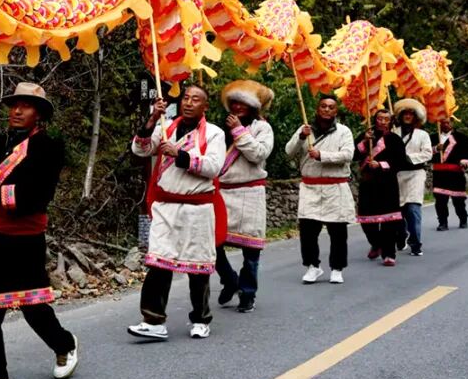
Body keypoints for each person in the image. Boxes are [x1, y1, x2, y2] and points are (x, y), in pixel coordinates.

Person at [0, 82, 78, 379]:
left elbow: (41, 195)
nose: (17, 110)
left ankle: (65, 344)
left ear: (38, 114)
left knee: (32, 306)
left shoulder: (49, 148)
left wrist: (1, 193)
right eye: (14, 105)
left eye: (25, 106)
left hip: (25, 236)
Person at [128, 84, 226, 340]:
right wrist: (151, 119)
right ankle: (153, 320)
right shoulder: (166, 126)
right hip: (166, 206)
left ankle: (201, 318)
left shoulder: (214, 133)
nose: (189, 103)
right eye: (186, 98)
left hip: (198, 209)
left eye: (196, 99)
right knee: (159, 262)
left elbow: (214, 167)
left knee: (197, 265)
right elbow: (141, 149)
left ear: (205, 106)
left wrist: (179, 154)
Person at [215, 80, 275, 313]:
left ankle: (248, 293)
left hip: (250, 192)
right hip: (222, 191)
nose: (238, 106)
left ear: (252, 106)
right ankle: (229, 280)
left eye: (243, 103)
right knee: (213, 244)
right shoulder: (220, 129)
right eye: (234, 102)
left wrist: (239, 131)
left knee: (251, 250)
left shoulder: (262, 128)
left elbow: (258, 154)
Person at [285, 96, 355, 285]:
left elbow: (348, 154)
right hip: (310, 187)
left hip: (335, 187)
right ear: (317, 109)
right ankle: (312, 266)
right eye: (323, 106)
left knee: (338, 232)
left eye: (331, 107)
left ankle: (337, 268)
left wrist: (322, 155)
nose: (326, 110)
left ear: (336, 111)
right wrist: (300, 137)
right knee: (308, 231)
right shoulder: (305, 129)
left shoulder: (344, 131)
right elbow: (288, 152)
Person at [354, 109, 411, 266]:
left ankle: (389, 252)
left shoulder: (395, 139)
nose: (382, 122)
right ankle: (376, 243)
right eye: (380, 118)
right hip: (368, 183)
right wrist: (364, 141)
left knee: (389, 220)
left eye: (386, 119)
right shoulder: (366, 136)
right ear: (375, 119)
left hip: (387, 184)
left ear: (391, 121)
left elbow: (401, 162)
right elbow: (352, 154)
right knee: (366, 220)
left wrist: (380, 164)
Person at [392, 99, 433, 257]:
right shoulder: (393, 133)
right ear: (401, 116)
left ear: (415, 117)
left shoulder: (423, 135)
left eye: (411, 114)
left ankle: (416, 243)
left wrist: (408, 157)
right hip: (396, 174)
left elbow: (427, 153)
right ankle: (401, 236)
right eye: (405, 113)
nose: (408, 116)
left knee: (413, 208)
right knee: (398, 210)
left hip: (415, 173)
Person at [430, 118, 468, 230]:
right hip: (439, 174)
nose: (446, 124)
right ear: (439, 123)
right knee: (440, 200)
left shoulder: (462, 137)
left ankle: (463, 219)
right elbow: (426, 153)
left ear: (452, 123)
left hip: (455, 173)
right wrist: (436, 149)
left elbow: (466, 153)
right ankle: (442, 222)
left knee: (458, 200)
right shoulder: (433, 137)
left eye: (448, 122)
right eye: (443, 122)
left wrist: (464, 160)